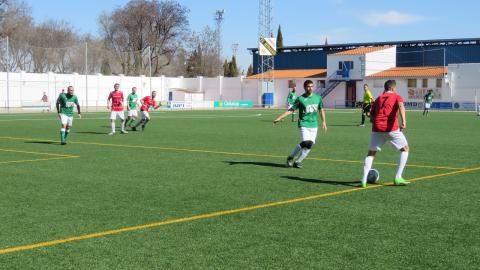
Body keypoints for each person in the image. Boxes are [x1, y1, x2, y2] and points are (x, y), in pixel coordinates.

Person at [360, 80, 410, 188]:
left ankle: (363, 180)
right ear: (393, 88)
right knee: (405, 149)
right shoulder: (397, 97)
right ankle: (398, 177)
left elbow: (372, 117)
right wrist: (404, 122)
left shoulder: (378, 98)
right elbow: (401, 106)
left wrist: (370, 116)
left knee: (371, 154)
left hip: (377, 128)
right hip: (391, 129)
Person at [273, 80, 327, 168]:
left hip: (314, 125)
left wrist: (324, 121)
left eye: (312, 86)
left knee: (309, 146)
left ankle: (298, 162)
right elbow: (291, 110)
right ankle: (291, 157)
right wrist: (280, 117)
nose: (310, 88)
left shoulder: (318, 98)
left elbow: (321, 110)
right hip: (303, 124)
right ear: (305, 87)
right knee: (306, 143)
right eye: (308, 86)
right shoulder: (300, 99)